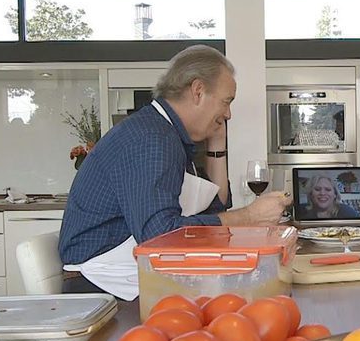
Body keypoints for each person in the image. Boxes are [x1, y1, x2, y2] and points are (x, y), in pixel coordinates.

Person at [59, 45, 291, 299]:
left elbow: (214, 212)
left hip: (130, 277)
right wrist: (249, 217)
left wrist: (216, 144)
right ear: (198, 91)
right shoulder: (151, 139)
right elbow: (159, 236)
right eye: (226, 102)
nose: (228, 114)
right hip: (103, 290)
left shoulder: (168, 134)